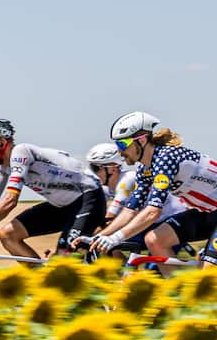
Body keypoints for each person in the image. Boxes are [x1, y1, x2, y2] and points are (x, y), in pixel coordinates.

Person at [0, 119, 104, 261]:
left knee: (65, 255)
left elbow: (10, 201)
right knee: (8, 235)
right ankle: (39, 285)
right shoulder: (4, 167)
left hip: (88, 199)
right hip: (62, 206)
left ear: (1, 143)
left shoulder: (21, 153)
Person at [91, 111, 217, 266]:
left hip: (211, 211)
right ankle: (175, 287)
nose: (119, 152)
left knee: (209, 275)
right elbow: (131, 209)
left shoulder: (166, 158)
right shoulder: (145, 169)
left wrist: (115, 238)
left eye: (122, 144)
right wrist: (98, 237)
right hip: (208, 212)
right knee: (154, 240)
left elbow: (153, 212)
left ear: (142, 140)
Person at [83, 140, 203, 258]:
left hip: (171, 219)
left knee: (154, 271)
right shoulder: (107, 187)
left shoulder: (127, 180)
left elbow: (110, 217)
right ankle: (122, 272)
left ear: (112, 168)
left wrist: (94, 235)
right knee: (104, 241)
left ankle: (124, 271)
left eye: (95, 168)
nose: (93, 173)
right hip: (153, 223)